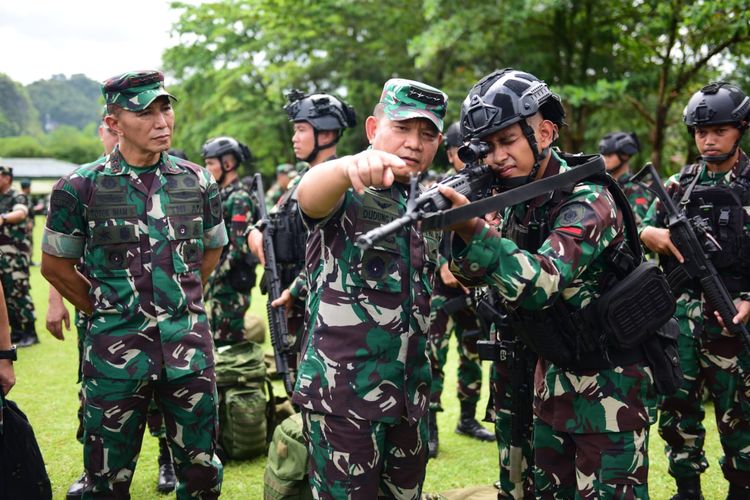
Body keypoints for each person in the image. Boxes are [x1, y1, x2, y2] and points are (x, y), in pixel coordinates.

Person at [439, 68, 662, 498]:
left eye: (507, 141)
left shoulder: (589, 198)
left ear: (543, 132)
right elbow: (469, 274)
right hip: (548, 383)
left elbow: (541, 282)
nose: (496, 156)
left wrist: (477, 232)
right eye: (488, 146)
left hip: (608, 392)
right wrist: (462, 232)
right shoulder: (517, 198)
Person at [40, 70, 226, 498]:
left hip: (189, 353)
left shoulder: (198, 181)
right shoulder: (79, 187)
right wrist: (108, 311)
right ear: (113, 122)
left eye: (166, 107)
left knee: (201, 473)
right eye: (146, 112)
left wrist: (180, 300)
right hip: (114, 356)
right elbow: (56, 266)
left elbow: (212, 250)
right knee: (106, 477)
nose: (162, 121)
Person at [292, 78, 446, 498]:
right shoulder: (347, 187)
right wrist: (345, 167)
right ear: (373, 128)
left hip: (409, 395)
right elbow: (309, 196)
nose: (414, 142)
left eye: (427, 133)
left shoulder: (425, 204)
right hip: (345, 397)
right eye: (403, 128)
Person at [45, 114, 178, 498]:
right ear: (111, 128)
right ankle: (97, 472)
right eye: (104, 131)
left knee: (162, 394)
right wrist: (90, 306)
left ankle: (166, 460)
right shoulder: (83, 183)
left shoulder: (166, 175)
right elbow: (62, 258)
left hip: (160, 316)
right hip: (101, 311)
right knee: (97, 394)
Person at [640, 81, 750, 499]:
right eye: (701, 132)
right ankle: (688, 490)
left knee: (740, 417)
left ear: (740, 128)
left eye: (718, 130)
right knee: (677, 414)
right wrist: (647, 231)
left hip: (732, 326)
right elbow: (629, 234)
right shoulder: (677, 185)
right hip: (679, 325)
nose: (707, 139)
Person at [246, 90, 355, 385]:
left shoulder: (335, 184)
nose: (295, 137)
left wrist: (294, 290)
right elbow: (268, 222)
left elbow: (334, 252)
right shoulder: (298, 181)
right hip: (290, 299)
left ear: (327, 133)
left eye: (301, 130)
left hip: (317, 304)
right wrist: (254, 234)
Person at [427, 121, 494, 461]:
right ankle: (429, 429)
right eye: (458, 151)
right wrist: (441, 262)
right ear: (451, 152)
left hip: (474, 294)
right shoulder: (437, 188)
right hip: (442, 292)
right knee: (433, 358)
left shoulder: (490, 188)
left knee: (472, 355)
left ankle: (467, 419)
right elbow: (426, 232)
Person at [201, 136, 258, 346]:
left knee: (228, 345)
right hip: (220, 285)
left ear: (228, 164)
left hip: (231, 286)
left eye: (210, 163)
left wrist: (212, 276)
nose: (206, 169)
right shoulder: (222, 195)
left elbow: (238, 248)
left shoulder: (239, 197)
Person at [0, 165, 38, 348]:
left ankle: (30, 332)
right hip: (2, 257)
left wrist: (3, 218)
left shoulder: (17, 196)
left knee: (19, 292)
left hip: (16, 254)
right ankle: (16, 332)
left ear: (7, 178)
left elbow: (21, 212)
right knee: (6, 295)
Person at [598, 131, 653, 225]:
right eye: (604, 155)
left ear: (624, 155)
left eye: (609, 155)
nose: (605, 159)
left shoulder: (636, 189)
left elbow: (638, 226)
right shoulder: (602, 184)